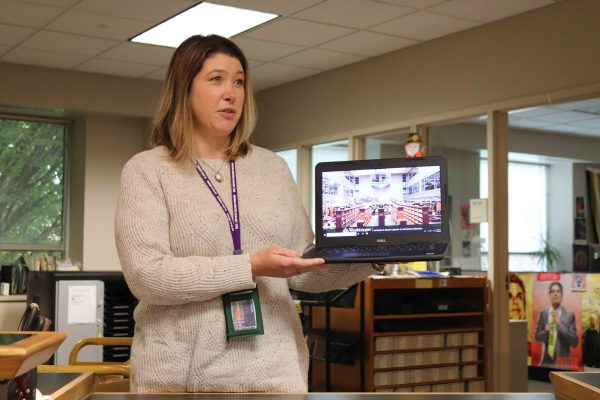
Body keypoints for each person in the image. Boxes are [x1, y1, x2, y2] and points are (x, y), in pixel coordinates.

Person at [114, 35, 377, 393]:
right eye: (216, 79)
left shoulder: (273, 168)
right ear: (183, 88)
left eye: (239, 81)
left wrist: (373, 255)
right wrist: (250, 266)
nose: (232, 93)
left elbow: (302, 273)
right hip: (179, 380)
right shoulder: (147, 170)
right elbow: (148, 276)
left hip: (274, 376)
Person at [534, 281, 578, 367]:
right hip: (545, 363)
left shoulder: (569, 315)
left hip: (562, 364)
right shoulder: (543, 314)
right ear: (549, 295)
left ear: (562, 295)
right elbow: (537, 338)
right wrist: (545, 331)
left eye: (558, 291)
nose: (555, 294)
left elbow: (574, 342)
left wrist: (560, 325)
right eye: (553, 292)